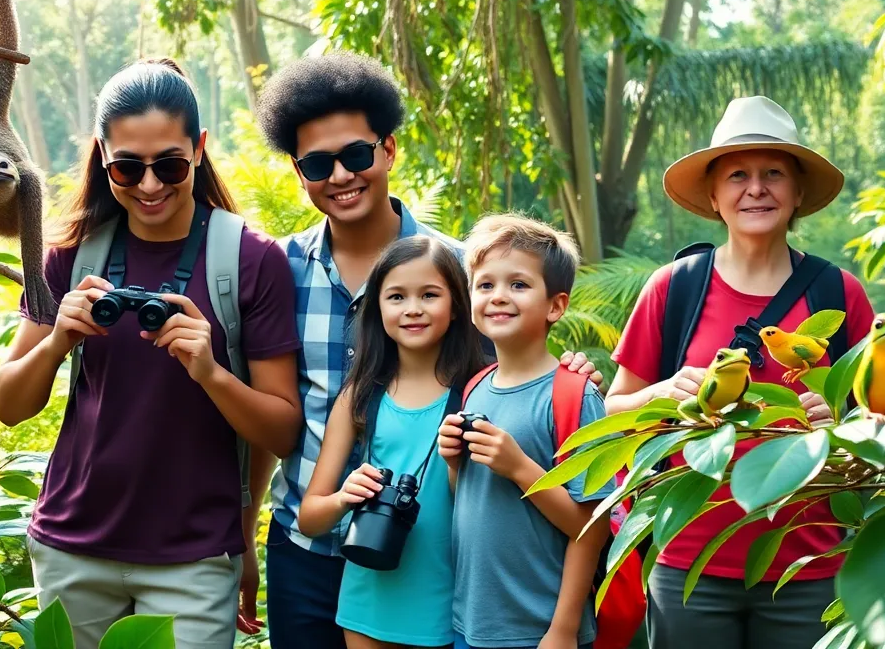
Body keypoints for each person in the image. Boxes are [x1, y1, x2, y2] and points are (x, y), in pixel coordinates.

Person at [252, 52, 601, 648]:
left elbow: (520, 373)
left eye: (356, 155)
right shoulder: (274, 269)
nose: (340, 175)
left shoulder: (465, 271)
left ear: (388, 150)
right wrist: (243, 522)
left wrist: (572, 375)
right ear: (298, 170)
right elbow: (270, 409)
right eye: (318, 163)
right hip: (309, 551)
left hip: (439, 561)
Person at [0, 58, 302, 649]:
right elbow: (9, 405)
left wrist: (210, 372)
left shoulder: (249, 260)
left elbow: (283, 430)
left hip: (194, 555)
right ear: (102, 156)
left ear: (200, 149)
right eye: (128, 168)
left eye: (170, 164)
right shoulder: (69, 255)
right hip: (72, 546)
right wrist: (58, 340)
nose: (151, 185)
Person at [604, 96, 876, 649]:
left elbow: (882, 418)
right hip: (688, 565)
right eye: (738, 175)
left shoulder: (839, 294)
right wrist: (660, 393)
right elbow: (611, 410)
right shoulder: (673, 287)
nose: (756, 188)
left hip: (808, 564)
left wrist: (844, 420)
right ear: (714, 195)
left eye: (773, 173)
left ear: (797, 192)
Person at [297, 235, 485, 649]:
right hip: (368, 601)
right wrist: (345, 497)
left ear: (457, 306)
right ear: (377, 308)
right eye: (396, 296)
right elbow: (309, 517)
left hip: (454, 602)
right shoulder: (360, 396)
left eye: (430, 295)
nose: (413, 308)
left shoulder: (480, 393)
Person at [437, 214, 614, 649]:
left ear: (555, 305)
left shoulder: (573, 394)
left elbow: (591, 526)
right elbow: (472, 501)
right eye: (485, 285)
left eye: (518, 284)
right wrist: (452, 464)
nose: (499, 296)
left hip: (540, 629)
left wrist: (563, 630)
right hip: (473, 622)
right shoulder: (476, 387)